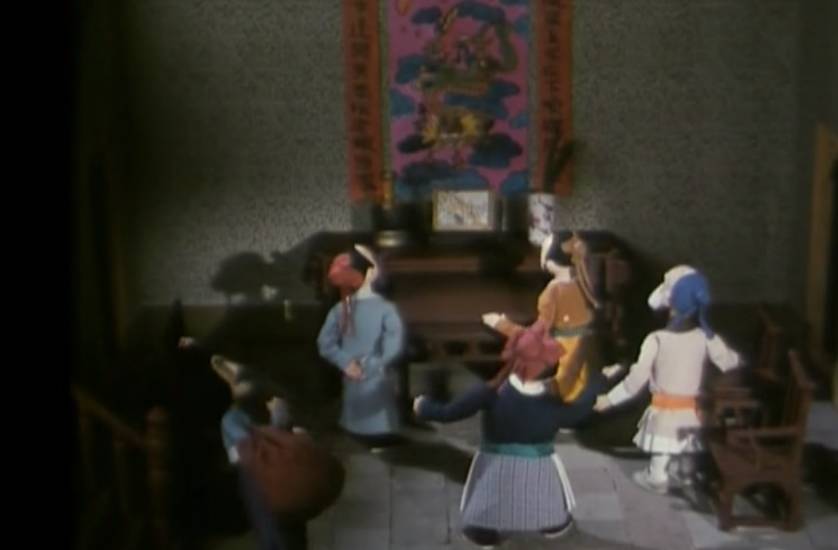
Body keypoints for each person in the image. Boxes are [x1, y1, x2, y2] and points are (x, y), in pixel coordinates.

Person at [414, 321, 577, 548]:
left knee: (492, 496)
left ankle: (483, 531)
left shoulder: (491, 393)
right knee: (543, 493)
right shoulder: (552, 403)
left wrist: (424, 407)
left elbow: (449, 413)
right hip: (539, 463)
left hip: (496, 462)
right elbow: (577, 416)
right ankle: (551, 523)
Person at [594, 268, 741, 493]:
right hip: (692, 413)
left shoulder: (656, 339)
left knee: (663, 444)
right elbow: (730, 362)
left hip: (664, 410)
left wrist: (610, 399)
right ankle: (686, 473)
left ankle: (657, 477)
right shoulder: (705, 337)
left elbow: (636, 380)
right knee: (686, 447)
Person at [483, 232, 623, 430]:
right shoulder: (584, 282)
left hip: (568, 350)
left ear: (550, 260)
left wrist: (500, 323)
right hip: (589, 345)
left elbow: (536, 335)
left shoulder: (553, 292)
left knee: (555, 381)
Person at [317, 244, 405, 450]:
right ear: (372, 273)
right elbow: (394, 344)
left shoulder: (340, 309)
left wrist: (347, 363)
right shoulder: (385, 309)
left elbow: (325, 344)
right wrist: (370, 364)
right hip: (375, 377)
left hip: (358, 378)